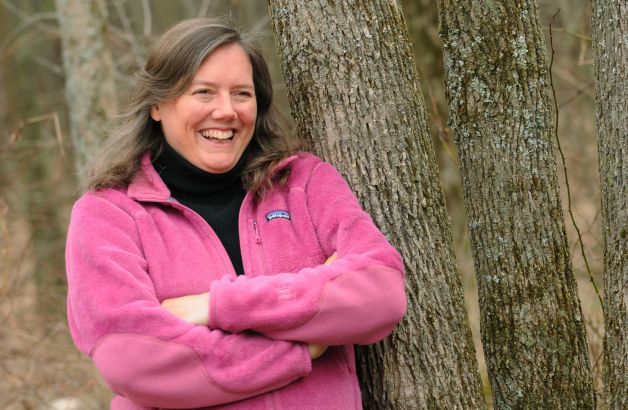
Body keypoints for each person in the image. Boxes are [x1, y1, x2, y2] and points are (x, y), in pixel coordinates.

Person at [65, 17, 406, 410]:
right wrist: (303, 346)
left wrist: (215, 306)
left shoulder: (305, 184)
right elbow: (132, 360)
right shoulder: (108, 215)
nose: (226, 111)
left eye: (242, 94)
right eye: (204, 92)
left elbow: (381, 293)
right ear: (157, 104)